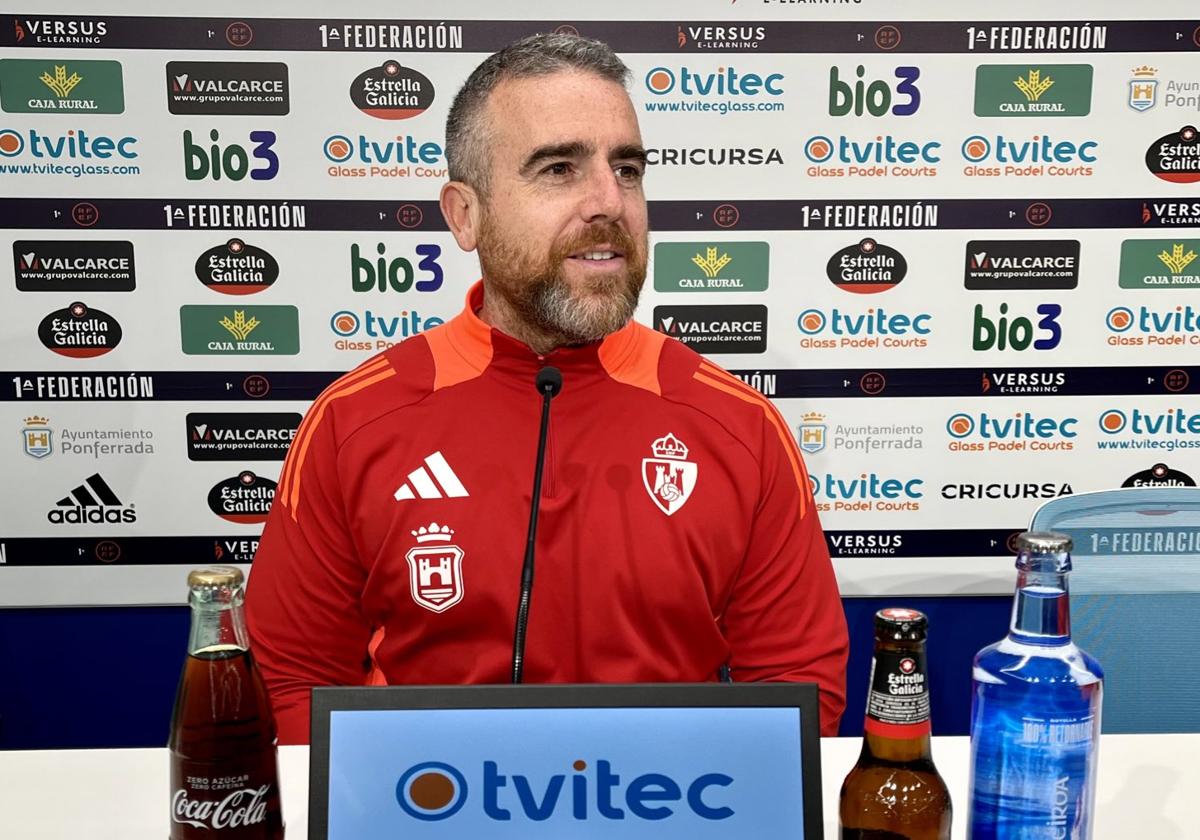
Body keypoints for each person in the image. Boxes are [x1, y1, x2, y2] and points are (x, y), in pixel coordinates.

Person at [245, 33, 848, 744]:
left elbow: (796, 684)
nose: (608, 201)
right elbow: (293, 684)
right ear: (464, 214)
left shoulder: (737, 425)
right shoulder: (355, 421)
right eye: (559, 168)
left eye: (627, 168)